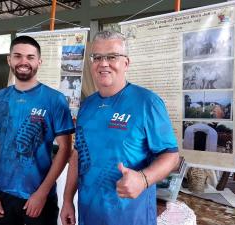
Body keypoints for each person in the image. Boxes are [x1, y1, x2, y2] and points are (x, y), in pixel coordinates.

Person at [60, 30, 179, 225]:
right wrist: (67, 200)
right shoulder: (86, 106)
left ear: (126, 63)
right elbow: (77, 155)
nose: (103, 63)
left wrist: (143, 179)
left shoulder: (147, 102)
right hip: (89, 214)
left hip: (131, 216)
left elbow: (171, 156)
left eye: (112, 56)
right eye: (97, 57)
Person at [0, 35, 74, 225]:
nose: (23, 62)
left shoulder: (54, 99)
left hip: (39, 195)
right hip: (3, 195)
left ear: (39, 62)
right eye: (17, 56)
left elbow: (66, 149)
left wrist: (42, 193)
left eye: (30, 57)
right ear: (9, 60)